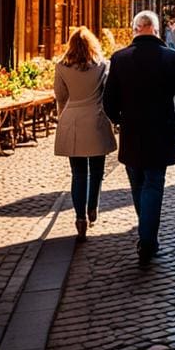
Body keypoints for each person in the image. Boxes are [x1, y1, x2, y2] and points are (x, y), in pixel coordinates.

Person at [103, 11, 175, 266]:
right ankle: (147, 239)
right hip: (161, 131)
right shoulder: (171, 58)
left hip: (132, 132)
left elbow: (108, 101)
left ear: (135, 29)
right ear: (154, 29)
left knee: (138, 184)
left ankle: (146, 232)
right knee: (154, 184)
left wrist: (119, 119)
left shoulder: (120, 58)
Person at [54, 27, 117, 241]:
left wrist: (63, 116)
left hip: (72, 121)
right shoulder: (102, 66)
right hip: (96, 119)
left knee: (78, 173)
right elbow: (109, 95)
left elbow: (61, 96)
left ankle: (80, 218)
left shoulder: (62, 67)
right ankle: (93, 208)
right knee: (97, 171)